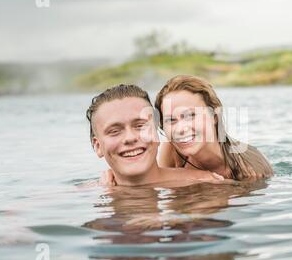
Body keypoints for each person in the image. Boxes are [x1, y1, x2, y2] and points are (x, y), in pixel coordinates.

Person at [101, 75, 273, 186]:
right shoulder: (173, 149)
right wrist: (115, 178)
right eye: (170, 120)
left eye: (190, 115)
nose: (181, 129)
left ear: (215, 115)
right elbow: (159, 180)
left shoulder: (246, 171)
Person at [86, 84, 223, 187]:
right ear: (97, 146)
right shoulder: (85, 192)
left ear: (157, 134)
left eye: (140, 126)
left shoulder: (205, 182)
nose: (130, 138)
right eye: (115, 131)